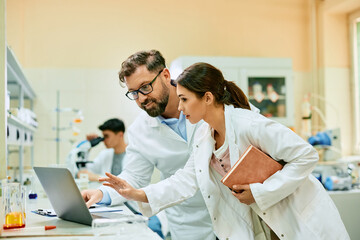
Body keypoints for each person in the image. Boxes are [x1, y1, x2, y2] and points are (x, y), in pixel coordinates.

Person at [100, 63, 350, 240]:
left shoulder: (247, 123)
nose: (181, 107)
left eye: (185, 99)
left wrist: (261, 193)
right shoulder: (203, 135)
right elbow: (187, 180)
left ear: (207, 98)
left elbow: (306, 155)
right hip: (259, 223)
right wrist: (137, 193)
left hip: (297, 218)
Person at [81, 50, 219, 240]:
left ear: (165, 75)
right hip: (188, 220)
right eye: (134, 93)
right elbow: (134, 176)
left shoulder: (204, 100)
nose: (141, 99)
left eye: (145, 87)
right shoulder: (140, 130)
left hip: (231, 206)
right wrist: (101, 193)